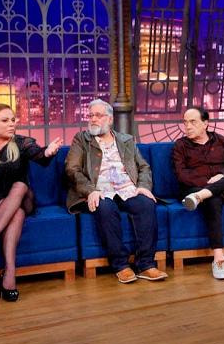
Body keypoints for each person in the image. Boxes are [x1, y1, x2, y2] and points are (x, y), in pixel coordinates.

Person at [65, 99, 167, 284]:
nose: (93, 119)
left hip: (128, 189)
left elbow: (144, 167)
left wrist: (143, 187)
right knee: (105, 208)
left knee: (146, 204)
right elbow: (72, 169)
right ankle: (121, 265)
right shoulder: (82, 139)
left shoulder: (126, 140)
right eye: (91, 115)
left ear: (110, 119)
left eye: (98, 115)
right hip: (100, 191)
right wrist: (89, 191)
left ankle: (146, 264)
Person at [0, 103, 63, 301]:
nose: (11, 124)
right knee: (17, 214)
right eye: (5, 120)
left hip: (23, 197)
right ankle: (9, 274)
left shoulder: (21, 143)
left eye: (13, 120)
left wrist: (48, 153)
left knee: (20, 186)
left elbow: (39, 155)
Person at [172, 106, 224, 280]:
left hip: (218, 187)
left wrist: (221, 177)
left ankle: (203, 196)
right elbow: (182, 175)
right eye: (185, 122)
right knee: (213, 198)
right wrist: (210, 185)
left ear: (205, 123)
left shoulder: (220, 140)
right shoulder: (180, 145)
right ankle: (219, 259)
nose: (188, 126)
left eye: (193, 122)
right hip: (194, 188)